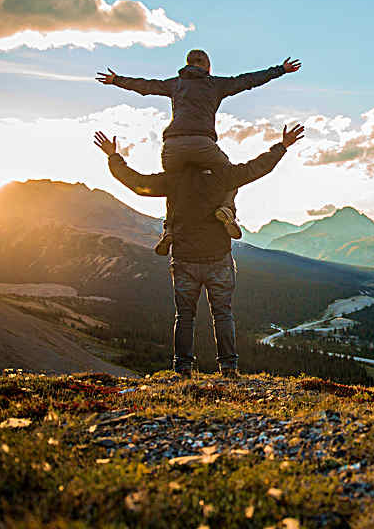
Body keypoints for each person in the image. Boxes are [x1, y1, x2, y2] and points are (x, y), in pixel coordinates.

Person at [92, 124, 304, 378]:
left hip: (184, 259)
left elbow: (137, 184)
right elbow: (257, 168)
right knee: (223, 314)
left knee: (184, 317)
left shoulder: (173, 180)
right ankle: (228, 368)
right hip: (218, 257)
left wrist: (113, 157)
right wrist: (281, 146)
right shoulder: (223, 176)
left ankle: (182, 369)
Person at [96, 50, 301, 254]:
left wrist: (116, 80)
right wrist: (280, 70)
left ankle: (170, 230)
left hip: (172, 148)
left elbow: (147, 86)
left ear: (187, 64)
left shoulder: (175, 84)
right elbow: (248, 80)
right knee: (231, 176)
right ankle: (227, 209)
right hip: (202, 144)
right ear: (208, 66)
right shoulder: (215, 84)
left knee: (174, 183)